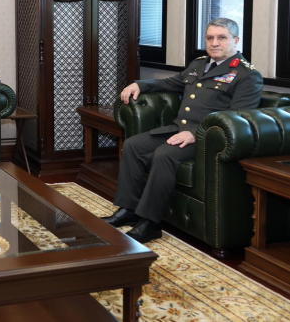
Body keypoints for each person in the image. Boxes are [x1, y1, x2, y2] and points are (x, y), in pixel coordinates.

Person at [103, 18, 262, 244]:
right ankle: (129, 209)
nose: (214, 43)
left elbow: (239, 117)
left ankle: (150, 223)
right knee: (133, 145)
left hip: (207, 140)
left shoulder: (247, 75)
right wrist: (139, 84)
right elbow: (171, 82)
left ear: (236, 40)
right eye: (210, 38)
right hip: (178, 129)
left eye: (222, 38)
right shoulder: (199, 64)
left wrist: (195, 133)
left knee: (164, 154)